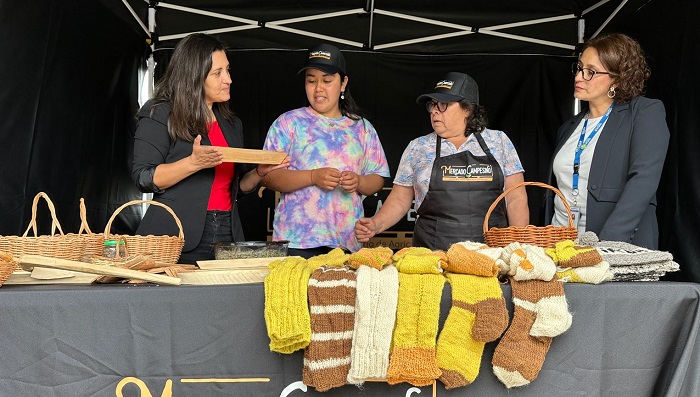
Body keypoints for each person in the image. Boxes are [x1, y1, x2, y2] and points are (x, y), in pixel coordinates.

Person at [132, 33, 289, 264]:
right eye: (218, 73)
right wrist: (192, 163)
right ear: (194, 76)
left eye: (228, 70)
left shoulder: (232, 124)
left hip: (228, 234)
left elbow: (236, 188)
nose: (228, 79)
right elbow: (143, 177)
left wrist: (258, 173)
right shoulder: (160, 113)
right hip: (175, 236)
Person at [355, 72, 529, 251]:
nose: (435, 111)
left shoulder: (499, 141)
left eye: (444, 104)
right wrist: (376, 224)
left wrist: (519, 249)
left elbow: (516, 198)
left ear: (467, 109)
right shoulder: (418, 147)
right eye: (432, 105)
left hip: (492, 255)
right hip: (433, 256)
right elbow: (400, 199)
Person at [260, 43, 390, 258]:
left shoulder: (362, 128)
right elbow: (268, 177)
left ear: (343, 83)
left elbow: (378, 178)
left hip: (346, 241)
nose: (318, 88)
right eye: (311, 80)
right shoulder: (288, 123)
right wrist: (313, 176)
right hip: (296, 240)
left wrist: (358, 181)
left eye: (327, 81)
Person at [545, 33, 669, 249]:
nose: (578, 77)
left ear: (618, 80)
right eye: (579, 67)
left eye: (590, 72)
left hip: (613, 247)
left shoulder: (644, 112)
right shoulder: (568, 128)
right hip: (560, 247)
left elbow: (643, 180)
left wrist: (609, 245)